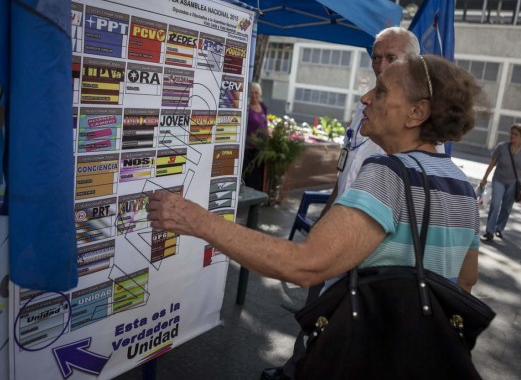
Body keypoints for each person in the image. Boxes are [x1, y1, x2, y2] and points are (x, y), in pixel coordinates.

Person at [148, 54, 484, 377]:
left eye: (381, 91)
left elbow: (306, 264)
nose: (366, 98)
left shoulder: (389, 173)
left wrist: (195, 219)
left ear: (416, 112)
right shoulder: (463, 187)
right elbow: (465, 281)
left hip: (362, 359)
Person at [262, 26, 423, 380]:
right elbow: (345, 169)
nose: (380, 64)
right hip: (337, 230)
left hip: (370, 253)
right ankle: (295, 370)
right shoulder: (364, 109)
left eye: (391, 57)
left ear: (414, 62)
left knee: (345, 338)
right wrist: (325, 217)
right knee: (315, 314)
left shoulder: (415, 123)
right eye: (376, 56)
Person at [480, 124, 521, 240]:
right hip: (499, 179)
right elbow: (492, 163)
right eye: (511, 133)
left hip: (514, 183)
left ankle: (499, 228)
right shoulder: (502, 147)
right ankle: (489, 231)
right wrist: (485, 178)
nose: (512, 136)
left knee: (506, 207)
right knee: (495, 204)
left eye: (516, 134)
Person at [242, 82, 268, 191]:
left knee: (257, 176)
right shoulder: (247, 108)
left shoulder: (263, 107)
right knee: (248, 175)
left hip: (259, 149)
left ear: (260, 94)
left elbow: (265, 124)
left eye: (256, 93)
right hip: (248, 148)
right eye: (251, 93)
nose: (254, 95)